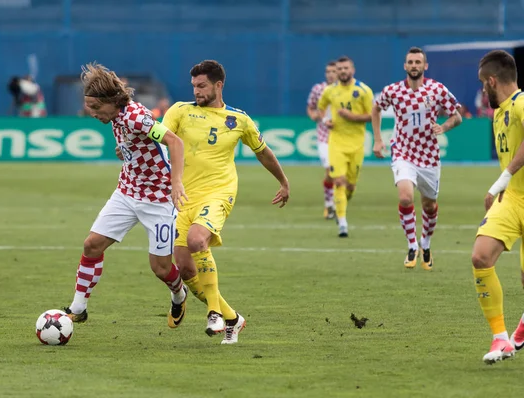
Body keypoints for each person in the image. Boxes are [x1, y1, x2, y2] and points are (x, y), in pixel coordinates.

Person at [161, 60, 290, 344]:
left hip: (219, 192)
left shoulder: (239, 119)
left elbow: (263, 152)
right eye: (194, 86)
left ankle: (213, 314)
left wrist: (283, 181)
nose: (196, 91)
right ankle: (232, 317)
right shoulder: (180, 111)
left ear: (219, 85)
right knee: (184, 267)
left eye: (202, 86)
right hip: (184, 196)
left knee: (197, 240)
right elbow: (159, 138)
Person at [63, 63, 190, 331]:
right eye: (89, 107)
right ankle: (78, 308)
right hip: (127, 192)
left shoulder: (137, 117)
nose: (92, 113)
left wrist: (176, 182)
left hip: (158, 198)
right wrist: (125, 149)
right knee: (92, 245)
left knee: (160, 268)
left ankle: (179, 294)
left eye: (96, 108)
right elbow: (139, 144)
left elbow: (174, 142)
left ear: (112, 102)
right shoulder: (116, 118)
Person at [372, 47, 462, 270]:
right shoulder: (393, 91)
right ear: (405, 66)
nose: (414, 65)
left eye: (418, 62)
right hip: (403, 152)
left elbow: (457, 116)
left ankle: (426, 244)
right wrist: (377, 139)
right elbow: (375, 109)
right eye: (410, 62)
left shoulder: (437, 89)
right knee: (405, 197)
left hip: (429, 156)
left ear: (425, 66)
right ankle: (412, 245)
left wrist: (443, 127)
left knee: (429, 206)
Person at [471, 49, 524, 364]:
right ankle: (500, 339)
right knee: (480, 256)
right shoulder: (500, 113)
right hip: (511, 199)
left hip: (508, 189)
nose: (481, 91)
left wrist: (499, 181)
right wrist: (501, 187)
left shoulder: (521, 103)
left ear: (492, 80)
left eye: (482, 85)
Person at [317, 56, 374, 237]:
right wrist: (326, 120)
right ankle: (342, 222)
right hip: (336, 143)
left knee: (350, 186)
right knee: (339, 181)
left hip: (357, 145)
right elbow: (321, 109)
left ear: (352, 70)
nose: (342, 71)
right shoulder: (329, 91)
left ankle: (341, 205)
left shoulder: (364, 91)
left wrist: (351, 117)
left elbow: (372, 115)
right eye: (340, 69)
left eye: (345, 68)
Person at [306, 61, 338, 219]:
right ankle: (329, 205)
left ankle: (337, 201)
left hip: (344, 137)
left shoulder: (345, 90)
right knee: (330, 171)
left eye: (333, 71)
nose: (330, 74)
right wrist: (313, 115)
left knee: (344, 176)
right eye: (328, 71)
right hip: (324, 136)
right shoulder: (318, 89)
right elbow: (310, 106)